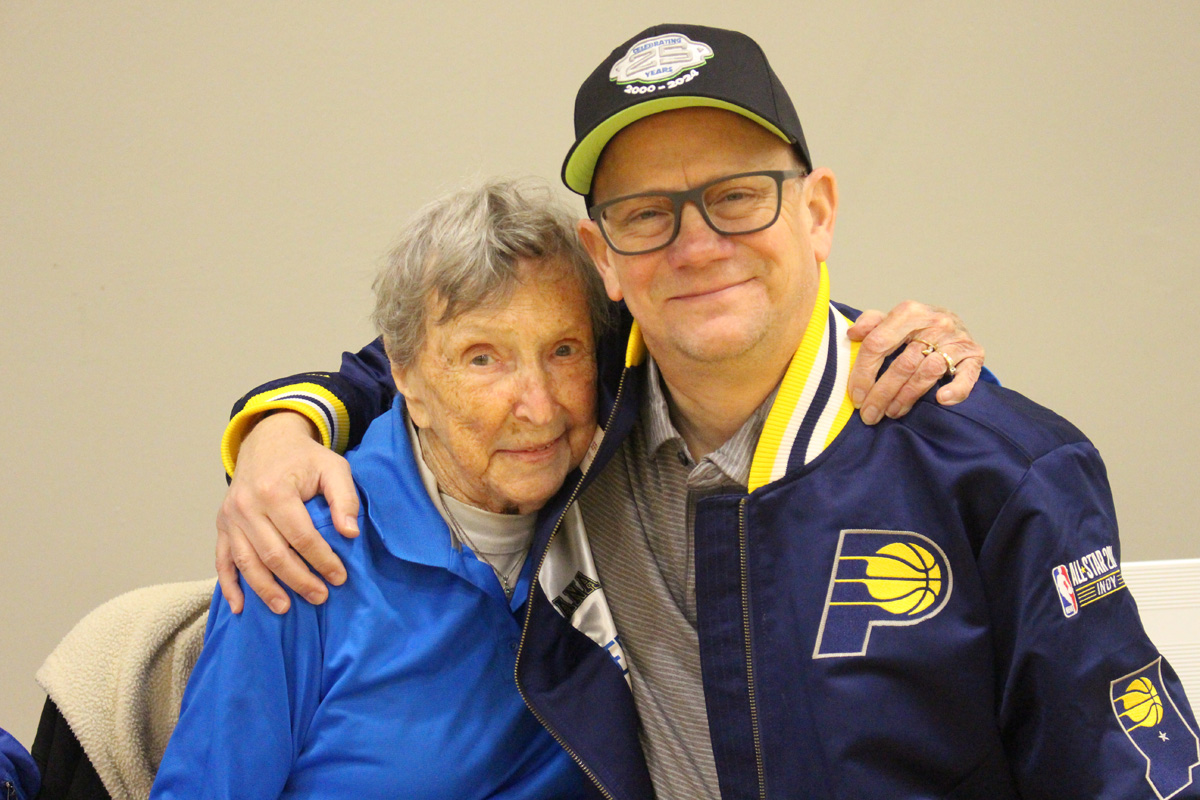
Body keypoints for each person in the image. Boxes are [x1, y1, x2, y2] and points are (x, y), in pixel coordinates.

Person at [216, 23, 1200, 799]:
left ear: (817, 210)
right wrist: (283, 424)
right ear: (604, 258)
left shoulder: (993, 464)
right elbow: (431, 355)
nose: (696, 245)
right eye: (647, 213)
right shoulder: (575, 420)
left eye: (739, 196)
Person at [151, 179, 603, 798]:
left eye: (564, 350)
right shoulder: (303, 548)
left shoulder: (617, 515)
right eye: (482, 358)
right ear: (406, 375)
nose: (537, 404)